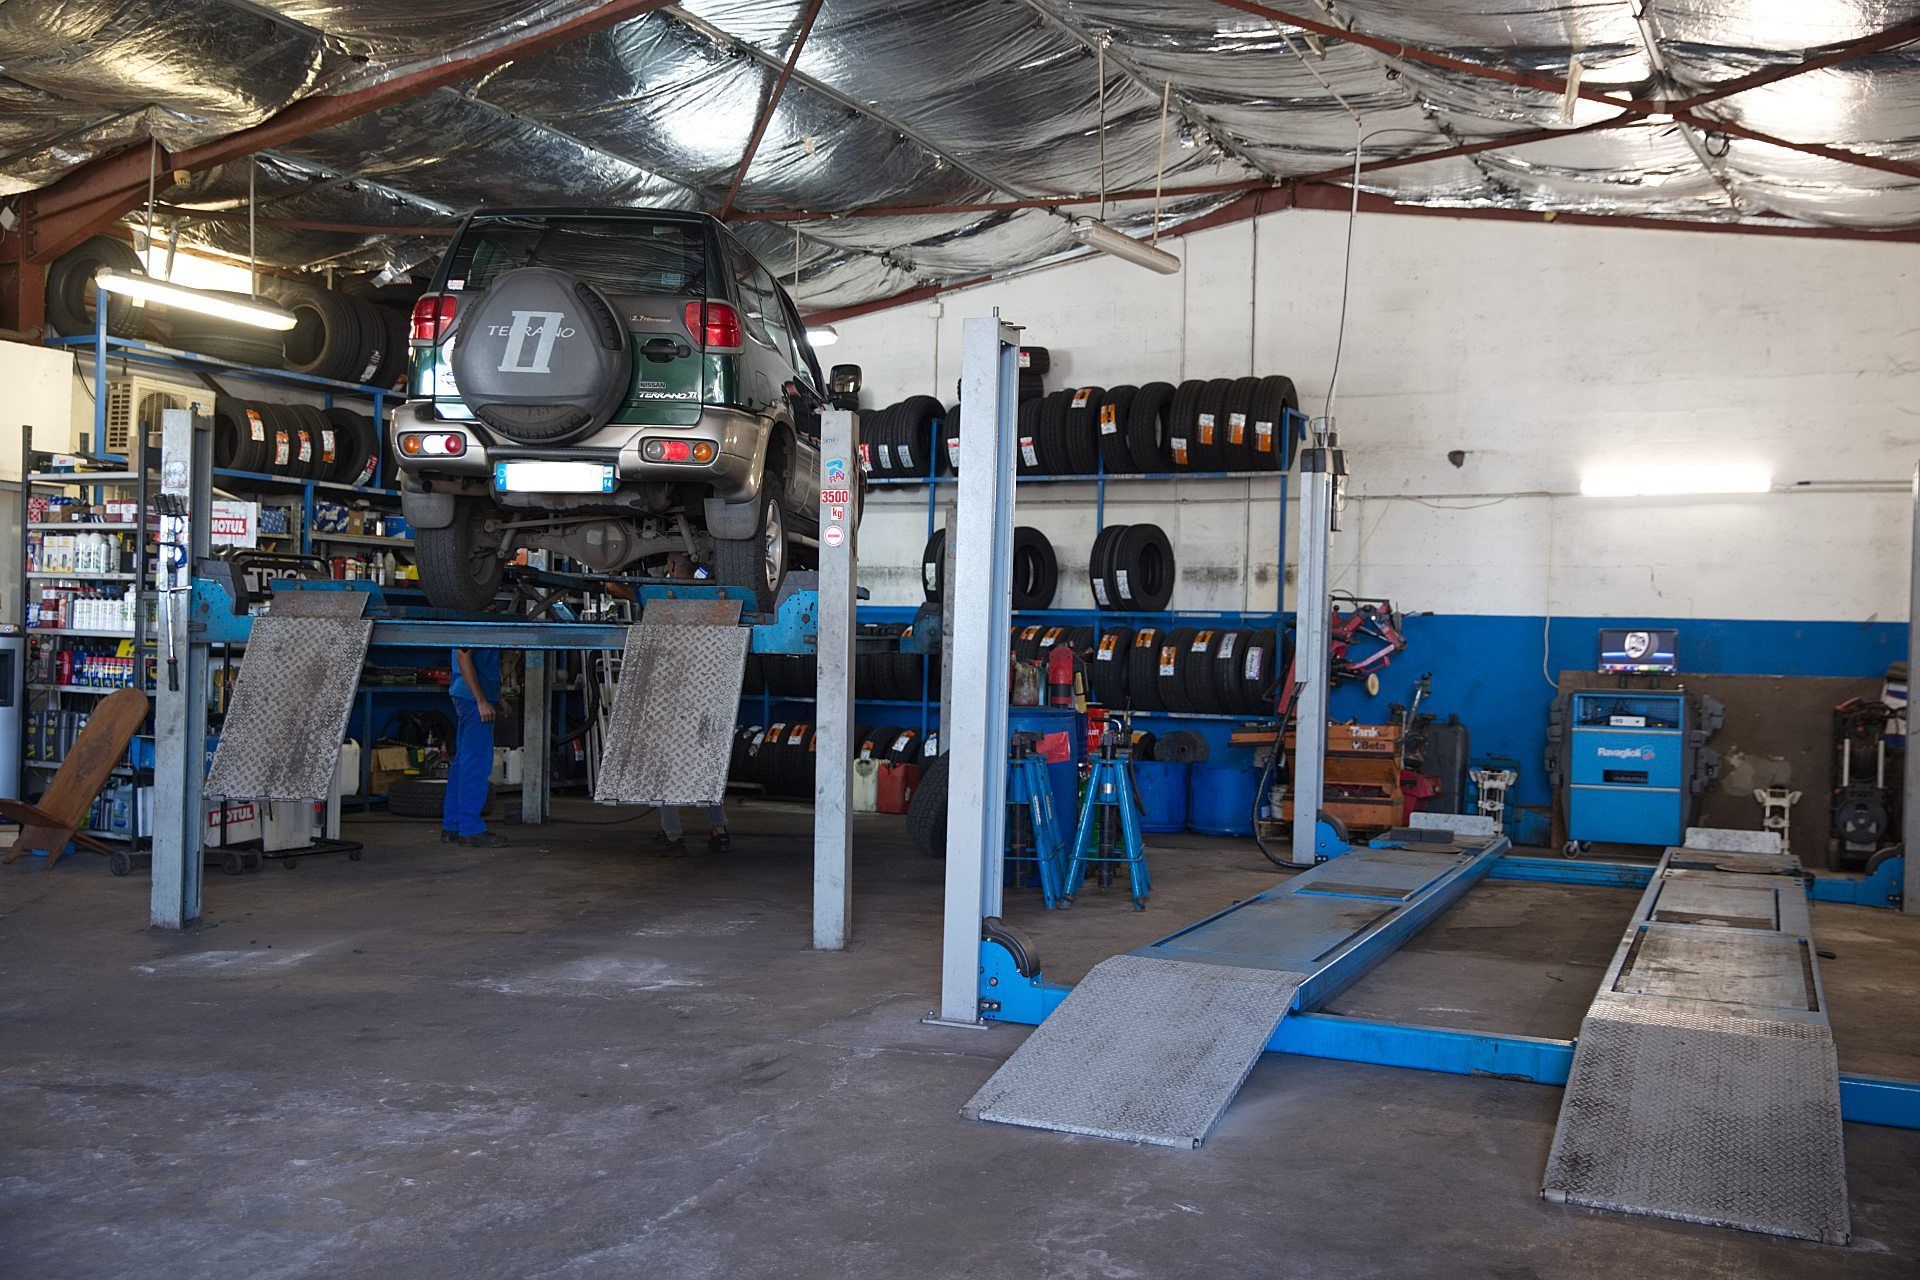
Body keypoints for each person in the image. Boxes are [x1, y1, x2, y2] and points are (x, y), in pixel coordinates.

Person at [646, 549, 730, 856]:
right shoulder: (710, 591)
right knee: (706, 760)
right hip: (705, 689)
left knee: (665, 762)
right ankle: (719, 831)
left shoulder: (663, 595)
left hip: (674, 691)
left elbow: (628, 592)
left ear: (669, 564)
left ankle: (673, 836)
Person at [444, 646, 508, 848]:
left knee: (463, 762)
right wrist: (481, 700)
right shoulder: (476, 616)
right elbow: (463, 656)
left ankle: (453, 826)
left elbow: (481, 662)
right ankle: (471, 829)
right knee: (476, 762)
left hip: (472, 695)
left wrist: (495, 698)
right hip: (473, 699)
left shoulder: (480, 617)